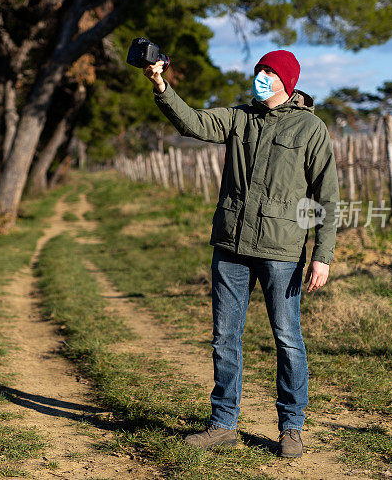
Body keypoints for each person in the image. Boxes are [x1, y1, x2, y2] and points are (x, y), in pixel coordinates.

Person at [143, 49, 339, 458]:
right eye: (259, 70)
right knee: (224, 337)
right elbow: (193, 122)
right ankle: (223, 424)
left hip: (281, 250)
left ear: (287, 80)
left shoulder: (310, 128)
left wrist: (323, 254)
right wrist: (161, 86)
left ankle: (291, 428)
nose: (262, 77)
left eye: (269, 72)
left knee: (287, 338)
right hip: (231, 245)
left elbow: (327, 195)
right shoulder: (238, 118)